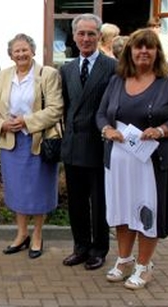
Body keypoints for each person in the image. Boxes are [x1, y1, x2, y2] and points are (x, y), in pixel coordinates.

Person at [96, 29, 168, 290]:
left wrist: (162, 130)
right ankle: (124, 260)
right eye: (138, 47)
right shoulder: (117, 80)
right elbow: (101, 114)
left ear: (158, 52)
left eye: (150, 47)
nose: (144, 52)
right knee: (123, 210)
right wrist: (106, 129)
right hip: (119, 161)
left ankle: (144, 266)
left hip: (153, 163)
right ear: (129, 51)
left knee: (148, 212)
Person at [0, 34, 64, 259]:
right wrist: (3, 124)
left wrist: (26, 122)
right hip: (11, 143)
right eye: (16, 51)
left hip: (38, 141)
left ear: (33, 51)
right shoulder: (3, 76)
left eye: (25, 50)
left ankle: (38, 235)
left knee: (39, 189)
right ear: (11, 55)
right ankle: (21, 234)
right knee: (17, 190)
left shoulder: (47, 74)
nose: (21, 54)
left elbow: (55, 108)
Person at [60, 14, 116, 271]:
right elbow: (67, 107)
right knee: (77, 202)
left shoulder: (112, 68)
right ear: (74, 36)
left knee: (99, 202)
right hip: (73, 146)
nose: (86, 38)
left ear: (99, 36)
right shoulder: (67, 69)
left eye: (91, 34)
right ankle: (80, 247)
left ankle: (99, 249)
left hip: (99, 145)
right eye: (81, 33)